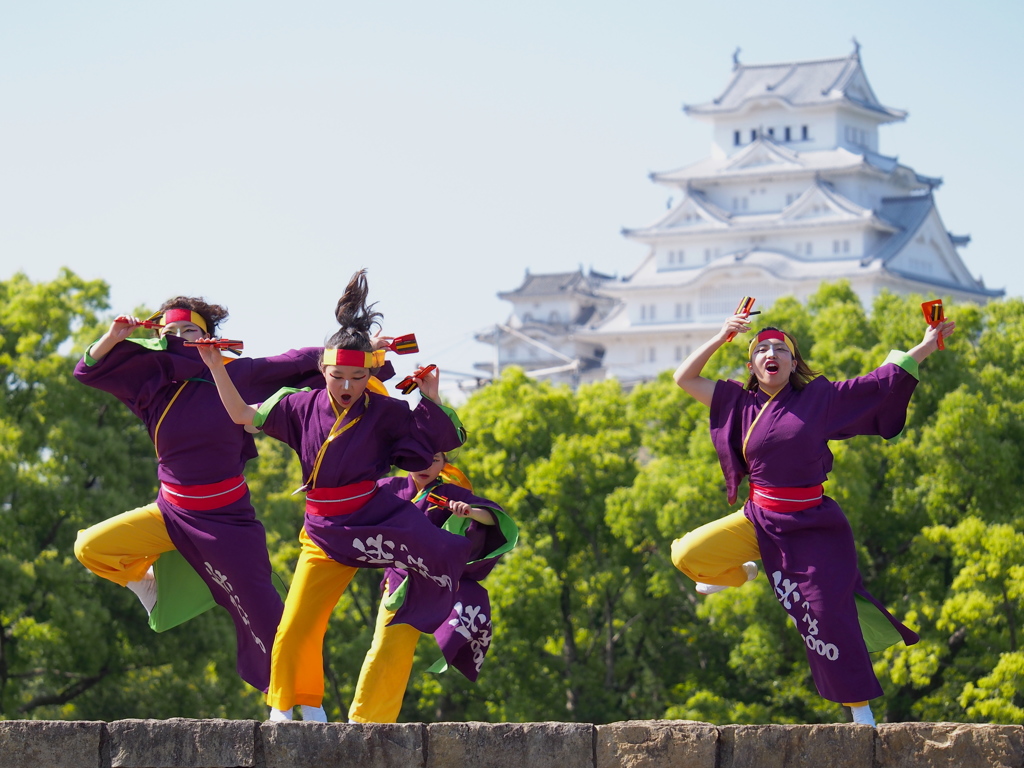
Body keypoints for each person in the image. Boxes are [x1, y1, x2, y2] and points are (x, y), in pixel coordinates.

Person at [197, 269, 474, 723]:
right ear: (322, 370)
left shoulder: (384, 411)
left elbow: (432, 447)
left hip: (372, 518)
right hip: (323, 532)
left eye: (356, 378)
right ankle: (294, 706)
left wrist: (433, 397)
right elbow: (243, 415)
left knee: (440, 556)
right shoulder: (298, 404)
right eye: (337, 376)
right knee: (296, 626)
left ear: (370, 375)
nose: (346, 387)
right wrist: (214, 368)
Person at [671, 311, 956, 727]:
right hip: (759, 518)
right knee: (687, 554)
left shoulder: (819, 399)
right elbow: (684, 378)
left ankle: (861, 709)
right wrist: (722, 335)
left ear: (793, 364)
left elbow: (879, 381)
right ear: (752, 366)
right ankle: (749, 570)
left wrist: (928, 343)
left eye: (782, 350)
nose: (772, 354)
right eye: (763, 349)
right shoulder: (738, 402)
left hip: (812, 527)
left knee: (829, 615)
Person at [73, 297, 323, 697]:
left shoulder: (239, 372)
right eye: (170, 334)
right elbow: (88, 370)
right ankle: (150, 590)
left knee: (267, 618)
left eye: (188, 331)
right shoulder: (152, 387)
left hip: (227, 522)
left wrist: (358, 350)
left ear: (207, 337)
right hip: (170, 512)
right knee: (90, 547)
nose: (180, 339)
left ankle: (296, 700)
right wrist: (113, 337)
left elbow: (302, 361)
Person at [348, 452, 518, 723]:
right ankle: (365, 720)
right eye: (419, 457)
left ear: (444, 463)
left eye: (435, 459)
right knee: (386, 650)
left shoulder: (449, 492)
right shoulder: (389, 488)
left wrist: (469, 511)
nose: (426, 466)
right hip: (400, 583)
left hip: (436, 584)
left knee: (403, 654)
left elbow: (494, 517)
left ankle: (377, 721)